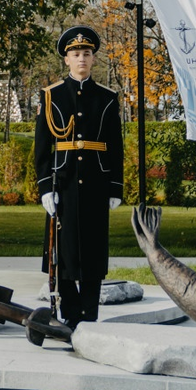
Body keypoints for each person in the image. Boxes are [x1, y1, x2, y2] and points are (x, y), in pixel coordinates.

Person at [34, 26, 124, 330]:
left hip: (97, 183)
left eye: (86, 53)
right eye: (75, 54)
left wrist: (115, 187)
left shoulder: (108, 98)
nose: (81, 58)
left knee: (93, 249)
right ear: (66, 60)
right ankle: (71, 313)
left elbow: (115, 146)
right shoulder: (51, 97)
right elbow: (43, 148)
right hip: (65, 182)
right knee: (67, 250)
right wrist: (45, 187)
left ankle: (90, 314)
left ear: (94, 58)